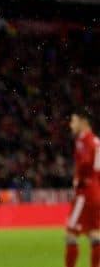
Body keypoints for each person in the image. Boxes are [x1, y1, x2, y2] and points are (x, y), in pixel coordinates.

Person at [65, 108, 100, 267]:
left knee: (71, 233)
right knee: (94, 232)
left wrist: (78, 179)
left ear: (83, 122)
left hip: (84, 192)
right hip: (95, 190)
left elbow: (85, 161)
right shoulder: (96, 141)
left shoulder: (83, 141)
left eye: (73, 121)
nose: (71, 125)